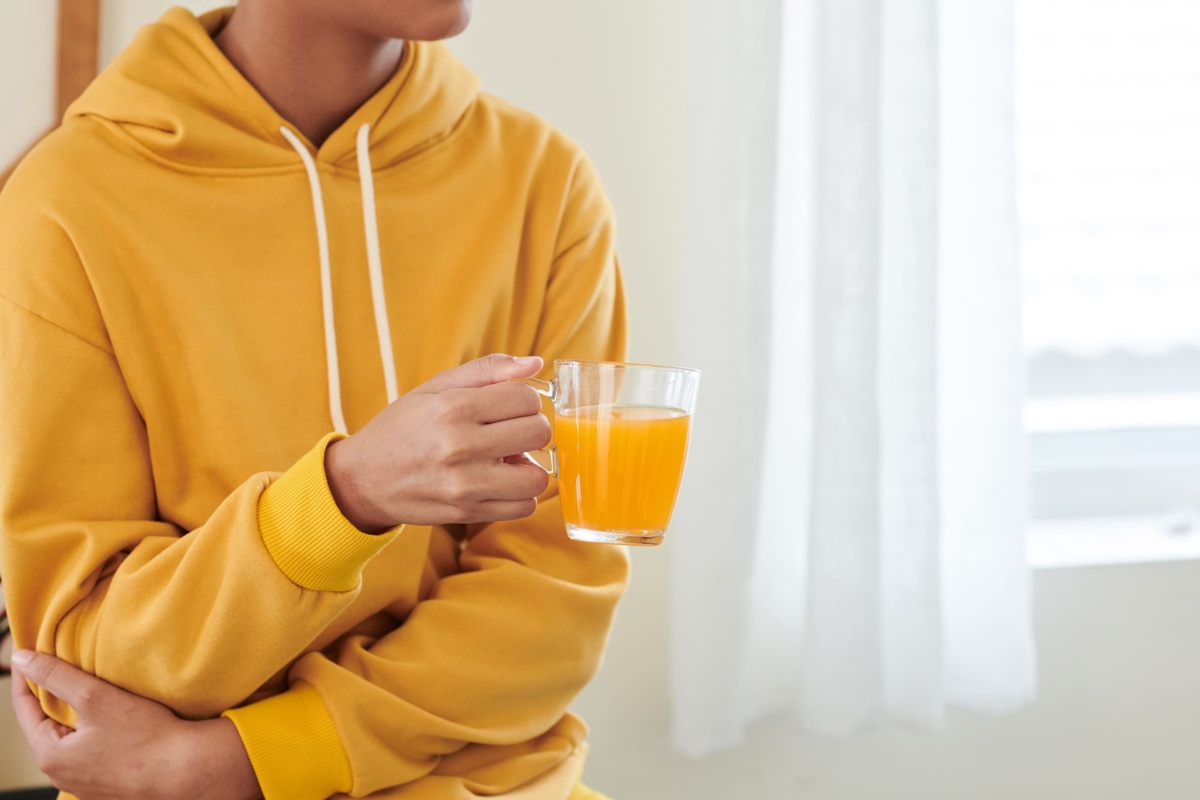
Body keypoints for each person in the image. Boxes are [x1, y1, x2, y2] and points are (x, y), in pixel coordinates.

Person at [0, 1, 628, 798]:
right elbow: (81, 658)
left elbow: (559, 594)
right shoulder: (69, 200)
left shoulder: (544, 181)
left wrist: (250, 761)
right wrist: (341, 497)